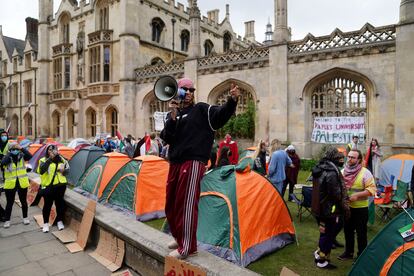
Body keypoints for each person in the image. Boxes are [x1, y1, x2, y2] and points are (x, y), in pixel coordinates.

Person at [160, 77, 239, 259]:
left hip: (193, 161)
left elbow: (220, 115)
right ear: (177, 92)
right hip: (175, 162)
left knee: (186, 204)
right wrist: (172, 116)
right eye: (185, 90)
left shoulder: (202, 109)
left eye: (191, 90)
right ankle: (179, 237)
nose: (188, 93)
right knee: (171, 204)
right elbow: (167, 137)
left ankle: (187, 247)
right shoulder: (173, 114)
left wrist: (232, 100)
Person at [312, 147, 347, 269]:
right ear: (333, 158)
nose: (340, 160)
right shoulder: (331, 172)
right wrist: (343, 202)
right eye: (338, 157)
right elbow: (335, 193)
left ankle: (319, 254)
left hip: (319, 208)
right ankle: (322, 261)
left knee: (324, 232)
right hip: (329, 210)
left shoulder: (320, 168)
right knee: (328, 234)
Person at [338, 149, 376, 260]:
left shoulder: (365, 172)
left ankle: (361, 256)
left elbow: (372, 189)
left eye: (353, 157)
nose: (349, 159)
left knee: (361, 233)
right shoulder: (342, 172)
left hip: (361, 208)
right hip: (347, 208)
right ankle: (348, 253)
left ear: (359, 160)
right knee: (348, 231)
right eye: (349, 156)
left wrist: (357, 195)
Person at [38, 144, 70, 233]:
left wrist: (64, 171)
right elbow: (41, 171)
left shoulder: (61, 159)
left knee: (59, 204)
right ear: (47, 151)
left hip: (60, 185)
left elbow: (68, 170)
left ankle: (59, 221)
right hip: (49, 186)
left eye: (54, 149)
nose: (52, 151)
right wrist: (50, 159)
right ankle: (45, 224)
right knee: (47, 205)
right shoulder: (43, 160)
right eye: (50, 150)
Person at [2, 142, 32, 228]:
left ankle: (25, 217)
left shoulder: (22, 156)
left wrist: (21, 148)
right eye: (13, 149)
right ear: (10, 150)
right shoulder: (7, 157)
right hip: (11, 184)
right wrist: (9, 154)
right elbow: (3, 163)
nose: (15, 151)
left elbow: (30, 155)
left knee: (23, 201)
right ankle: (7, 220)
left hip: (22, 182)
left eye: (16, 149)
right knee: (9, 203)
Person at [0, 129, 10, 221]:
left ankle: (4, 214)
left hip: (7, 170)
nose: (4, 137)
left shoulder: (9, 144)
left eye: (5, 135)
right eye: (2, 135)